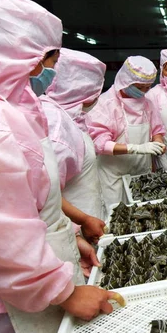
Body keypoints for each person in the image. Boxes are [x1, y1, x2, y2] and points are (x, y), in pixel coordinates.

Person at [0, 0, 119, 333]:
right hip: (12, 301)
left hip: (37, 272)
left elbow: (32, 198)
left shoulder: (12, 106)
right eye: (48, 58)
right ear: (13, 51)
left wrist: (66, 234)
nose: (49, 69)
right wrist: (63, 291)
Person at [86, 56, 166, 208]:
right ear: (125, 80)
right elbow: (100, 144)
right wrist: (136, 148)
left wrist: (158, 143)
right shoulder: (105, 104)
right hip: (114, 176)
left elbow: (157, 129)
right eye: (139, 87)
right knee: (117, 215)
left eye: (147, 87)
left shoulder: (147, 103)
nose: (143, 92)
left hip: (142, 173)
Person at [42, 48, 107, 224]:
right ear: (84, 92)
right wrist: (83, 220)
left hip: (87, 218)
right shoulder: (57, 127)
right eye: (96, 93)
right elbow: (47, 193)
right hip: (74, 226)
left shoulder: (72, 117)